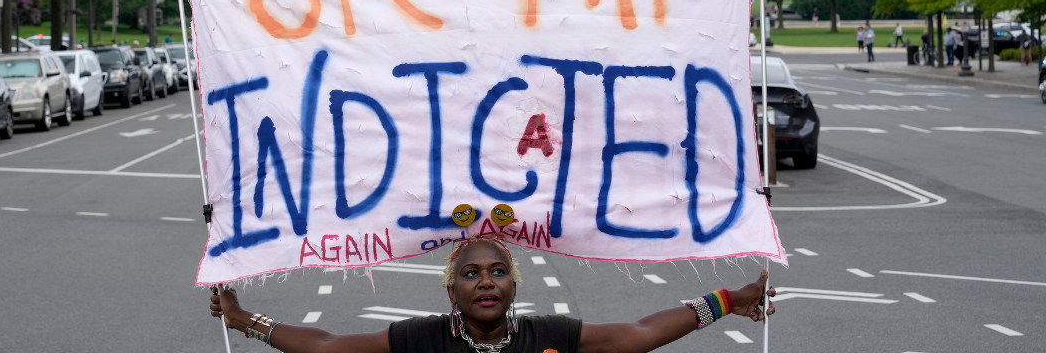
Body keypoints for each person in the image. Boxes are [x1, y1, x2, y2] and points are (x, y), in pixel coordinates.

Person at [209, 237, 776, 353]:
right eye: (471, 274)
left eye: (497, 272)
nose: (486, 280)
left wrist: (730, 298)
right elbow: (328, 348)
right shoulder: (419, 339)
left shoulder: (549, 335)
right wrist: (243, 320)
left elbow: (642, 334)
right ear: (451, 290)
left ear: (513, 286)